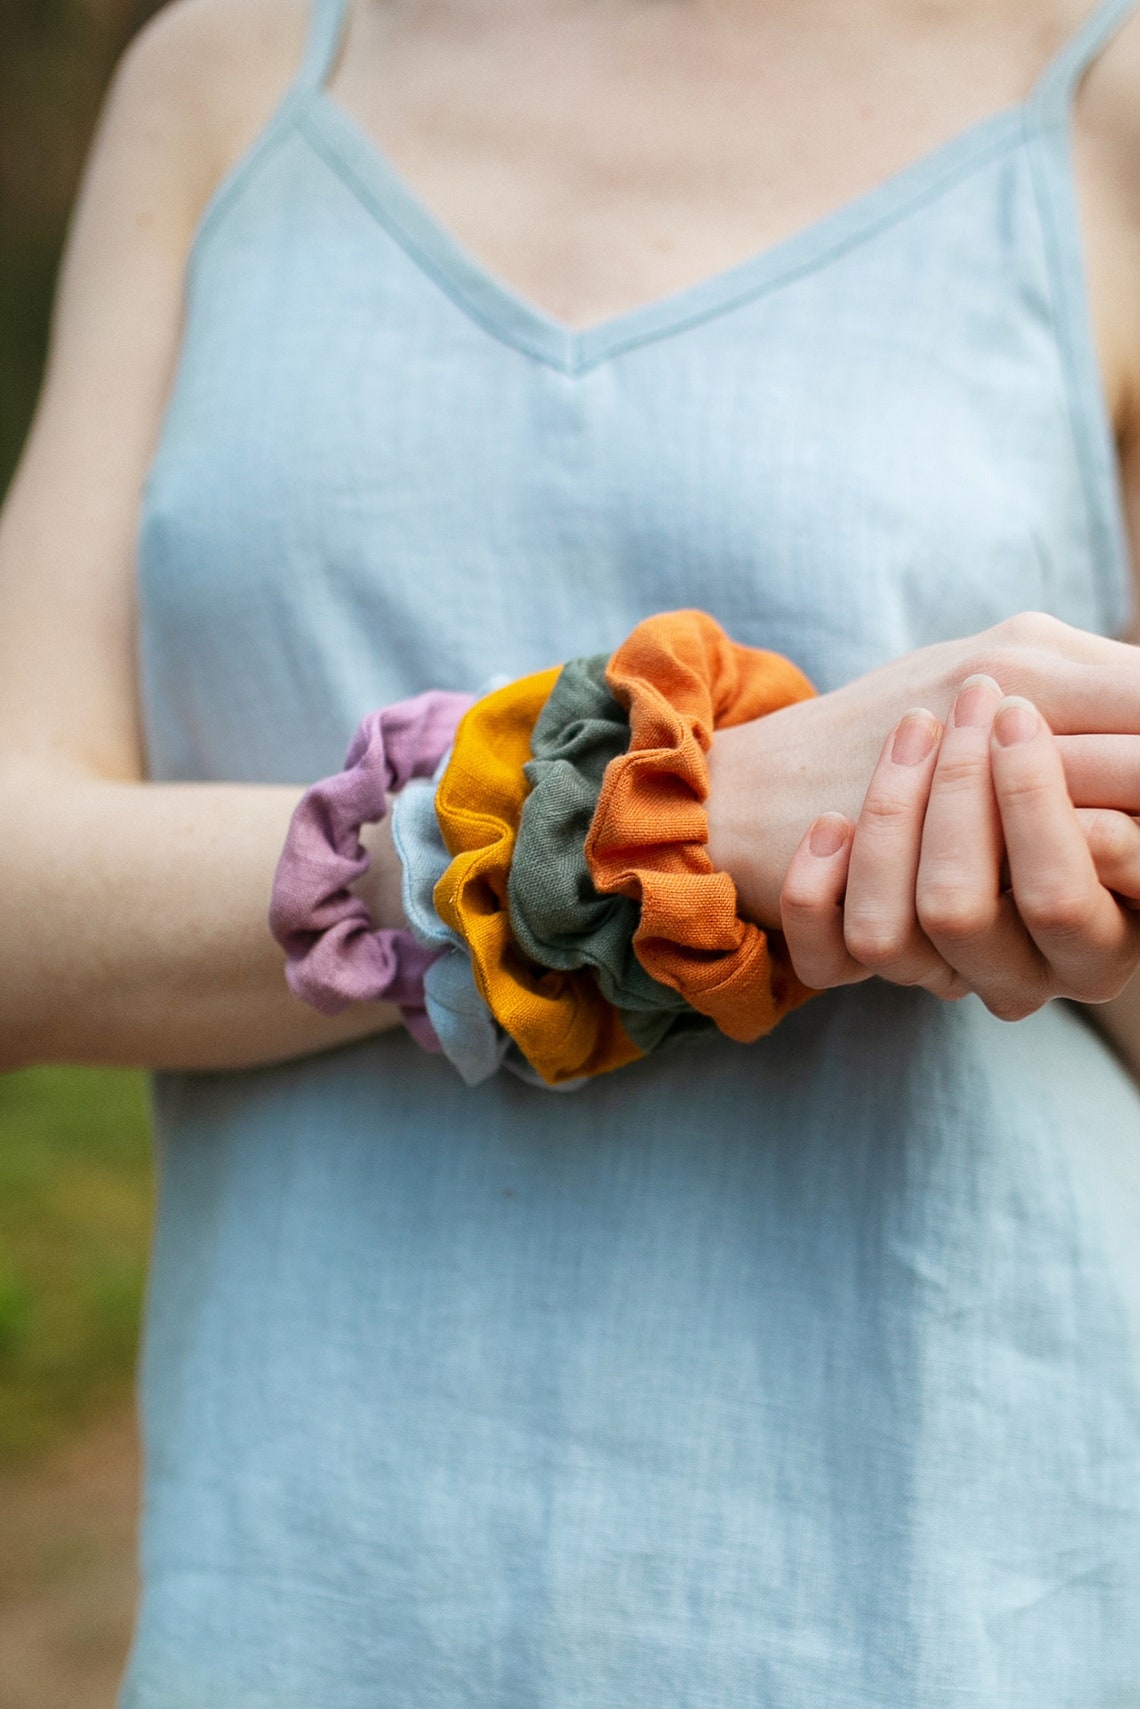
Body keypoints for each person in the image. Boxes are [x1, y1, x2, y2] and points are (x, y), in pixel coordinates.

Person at [1, 0, 1139, 1699]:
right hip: (315, 1612)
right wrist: (657, 821)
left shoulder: (1103, 101)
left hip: (949, 1601)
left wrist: (1045, 877)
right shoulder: (232, 81)